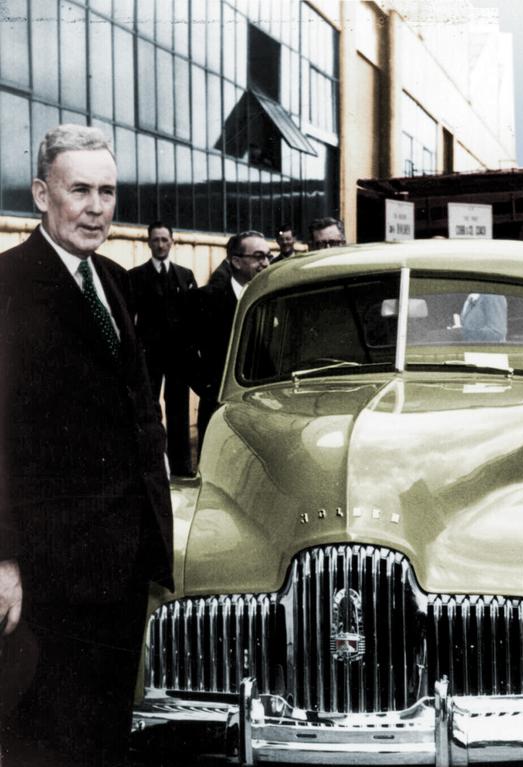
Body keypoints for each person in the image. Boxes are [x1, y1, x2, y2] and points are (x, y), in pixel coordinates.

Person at [0, 124, 173, 766]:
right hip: (50, 571)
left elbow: (137, 414)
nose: (97, 207)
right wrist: (4, 559)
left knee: (106, 730)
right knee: (50, 736)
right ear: (43, 194)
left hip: (122, 561)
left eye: (108, 191)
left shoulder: (115, 281)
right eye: (81, 190)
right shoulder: (9, 285)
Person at [129, 221, 197, 477]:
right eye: (155, 240)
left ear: (172, 241)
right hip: (150, 357)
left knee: (178, 410)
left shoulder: (185, 275)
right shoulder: (136, 276)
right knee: (148, 410)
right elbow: (130, 319)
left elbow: (193, 317)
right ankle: (152, 465)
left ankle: (182, 467)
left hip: (178, 358)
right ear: (148, 242)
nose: (160, 245)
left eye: (164, 240)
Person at [191, 230, 271, 447]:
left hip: (267, 409)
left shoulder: (273, 298)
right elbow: (184, 351)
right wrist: (209, 388)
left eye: (268, 255)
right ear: (236, 261)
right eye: (258, 256)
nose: (266, 263)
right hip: (220, 408)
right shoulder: (207, 299)